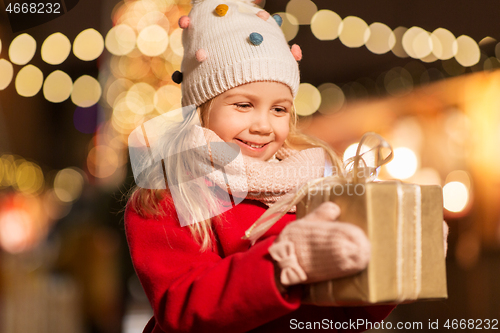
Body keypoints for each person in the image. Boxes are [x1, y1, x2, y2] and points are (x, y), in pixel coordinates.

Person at [124, 0, 448, 331]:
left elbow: (334, 318)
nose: (263, 125)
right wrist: (281, 264)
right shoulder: (166, 198)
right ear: (202, 108)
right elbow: (184, 308)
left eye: (279, 109)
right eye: (244, 105)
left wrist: (393, 254)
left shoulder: (309, 191)